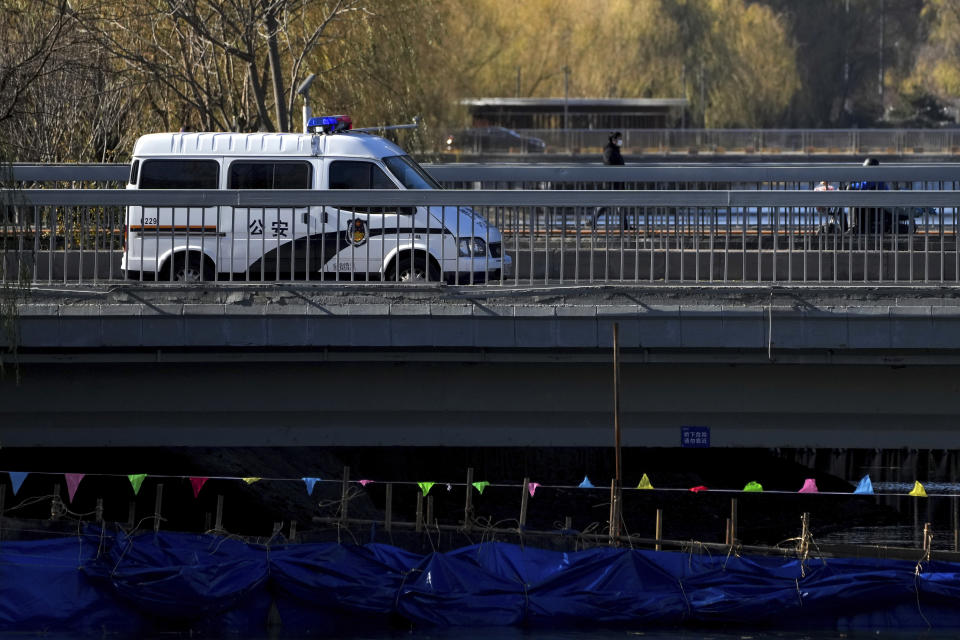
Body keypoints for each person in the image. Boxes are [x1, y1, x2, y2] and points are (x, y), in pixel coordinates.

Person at [848, 157, 890, 233]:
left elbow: (864, 185)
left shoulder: (874, 177)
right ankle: (857, 227)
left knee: (856, 202)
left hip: (879, 205)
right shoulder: (878, 175)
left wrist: (850, 187)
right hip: (878, 203)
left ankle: (855, 227)